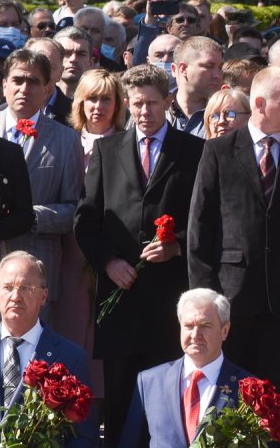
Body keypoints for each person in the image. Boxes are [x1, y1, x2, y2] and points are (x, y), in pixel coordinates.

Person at [74, 64, 205, 445]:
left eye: (151, 103)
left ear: (168, 102)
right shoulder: (106, 149)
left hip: (169, 298)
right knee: (119, 401)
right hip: (120, 296)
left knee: (167, 399)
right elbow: (87, 221)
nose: (143, 112)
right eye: (136, 105)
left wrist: (176, 244)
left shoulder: (195, 151)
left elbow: (206, 217)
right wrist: (109, 263)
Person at [188, 66, 280, 399]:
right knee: (226, 394)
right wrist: (206, 299)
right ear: (260, 103)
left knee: (276, 397)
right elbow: (200, 225)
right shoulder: (219, 151)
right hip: (231, 296)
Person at [0, 50, 83, 323]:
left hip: (38, 266)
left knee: (36, 359)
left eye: (33, 81)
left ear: (47, 89)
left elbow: (74, 208)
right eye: (17, 79)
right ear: (4, 84)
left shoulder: (66, 140)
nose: (24, 88)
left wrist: (29, 217)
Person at [118, 289, 253, 447]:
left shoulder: (249, 388)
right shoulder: (149, 382)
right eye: (189, 326)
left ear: (224, 330)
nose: (196, 334)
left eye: (205, 325)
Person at [0, 251, 98, 447]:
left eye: (26, 288)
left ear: (44, 296)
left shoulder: (71, 359)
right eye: (8, 288)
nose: (16, 296)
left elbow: (85, 437)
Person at [69, 68, 126, 170]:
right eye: (92, 98)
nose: (98, 106)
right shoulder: (67, 141)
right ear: (81, 103)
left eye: (106, 99)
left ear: (116, 104)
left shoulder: (128, 144)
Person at [170, 36, 223, 138]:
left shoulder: (227, 114)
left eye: (220, 67)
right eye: (209, 66)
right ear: (183, 69)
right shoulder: (157, 110)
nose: (217, 75)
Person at [23, 37, 71, 127]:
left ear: (60, 73)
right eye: (34, 66)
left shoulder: (75, 114)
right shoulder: (1, 112)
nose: (42, 74)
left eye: (50, 67)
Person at [54, 26, 94, 98]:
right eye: (66, 53)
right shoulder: (39, 100)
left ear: (91, 63)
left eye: (81, 54)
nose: (73, 59)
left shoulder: (97, 103)